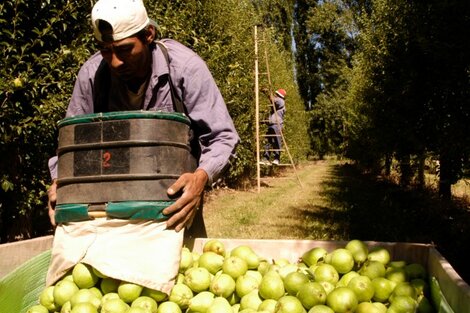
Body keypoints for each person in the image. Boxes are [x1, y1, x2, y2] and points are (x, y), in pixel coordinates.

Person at [45, 0, 239, 294]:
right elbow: (73, 143)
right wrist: (61, 180)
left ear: (148, 35)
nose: (115, 62)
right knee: (109, 292)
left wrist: (200, 178)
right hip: (108, 214)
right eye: (106, 51)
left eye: (124, 50)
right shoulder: (92, 75)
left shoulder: (184, 68)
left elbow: (222, 136)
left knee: (179, 287)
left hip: (172, 208)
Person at [261, 88, 286, 165]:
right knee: (268, 142)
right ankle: (266, 158)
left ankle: (277, 159)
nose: (275, 95)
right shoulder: (275, 106)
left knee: (277, 142)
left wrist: (267, 92)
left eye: (276, 94)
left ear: (279, 95)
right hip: (272, 125)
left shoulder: (281, 101)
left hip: (277, 125)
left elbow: (272, 99)